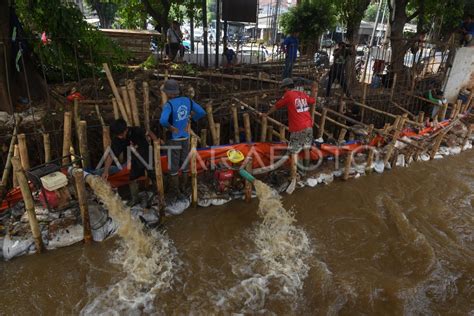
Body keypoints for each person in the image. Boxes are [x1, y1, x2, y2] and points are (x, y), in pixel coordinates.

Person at [156, 80, 206, 200]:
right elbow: (202, 112)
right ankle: (184, 187)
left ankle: (176, 191)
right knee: (184, 163)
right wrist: (191, 119)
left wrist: (171, 127)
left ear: (168, 93)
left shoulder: (169, 105)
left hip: (174, 139)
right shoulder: (188, 101)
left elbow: (162, 121)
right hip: (186, 137)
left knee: (173, 166)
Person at [262, 78, 318, 172]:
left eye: (283, 88)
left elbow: (277, 105)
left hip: (298, 128)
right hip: (308, 126)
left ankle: (298, 172)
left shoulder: (288, 94)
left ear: (286, 88)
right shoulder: (302, 94)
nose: (283, 91)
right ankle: (305, 170)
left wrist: (266, 114)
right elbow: (312, 100)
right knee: (307, 148)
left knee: (294, 151)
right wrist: (313, 91)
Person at [102, 118, 150, 206]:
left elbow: (148, 132)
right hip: (132, 158)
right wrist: (105, 171)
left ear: (126, 129)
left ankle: (149, 194)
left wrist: (156, 140)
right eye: (118, 135)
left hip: (147, 154)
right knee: (132, 175)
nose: (120, 137)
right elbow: (111, 154)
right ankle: (135, 198)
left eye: (121, 134)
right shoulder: (117, 139)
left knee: (150, 173)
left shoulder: (136, 131)